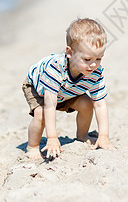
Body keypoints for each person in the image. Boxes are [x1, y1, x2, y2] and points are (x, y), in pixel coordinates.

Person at [22, 18, 114, 159]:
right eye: (87, 59)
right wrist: (52, 137)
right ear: (70, 53)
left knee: (87, 103)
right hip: (38, 88)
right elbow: (50, 104)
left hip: (66, 91)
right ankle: (32, 146)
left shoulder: (95, 72)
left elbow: (100, 104)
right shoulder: (55, 69)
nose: (94, 65)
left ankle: (82, 135)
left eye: (99, 58)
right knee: (41, 114)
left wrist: (104, 136)